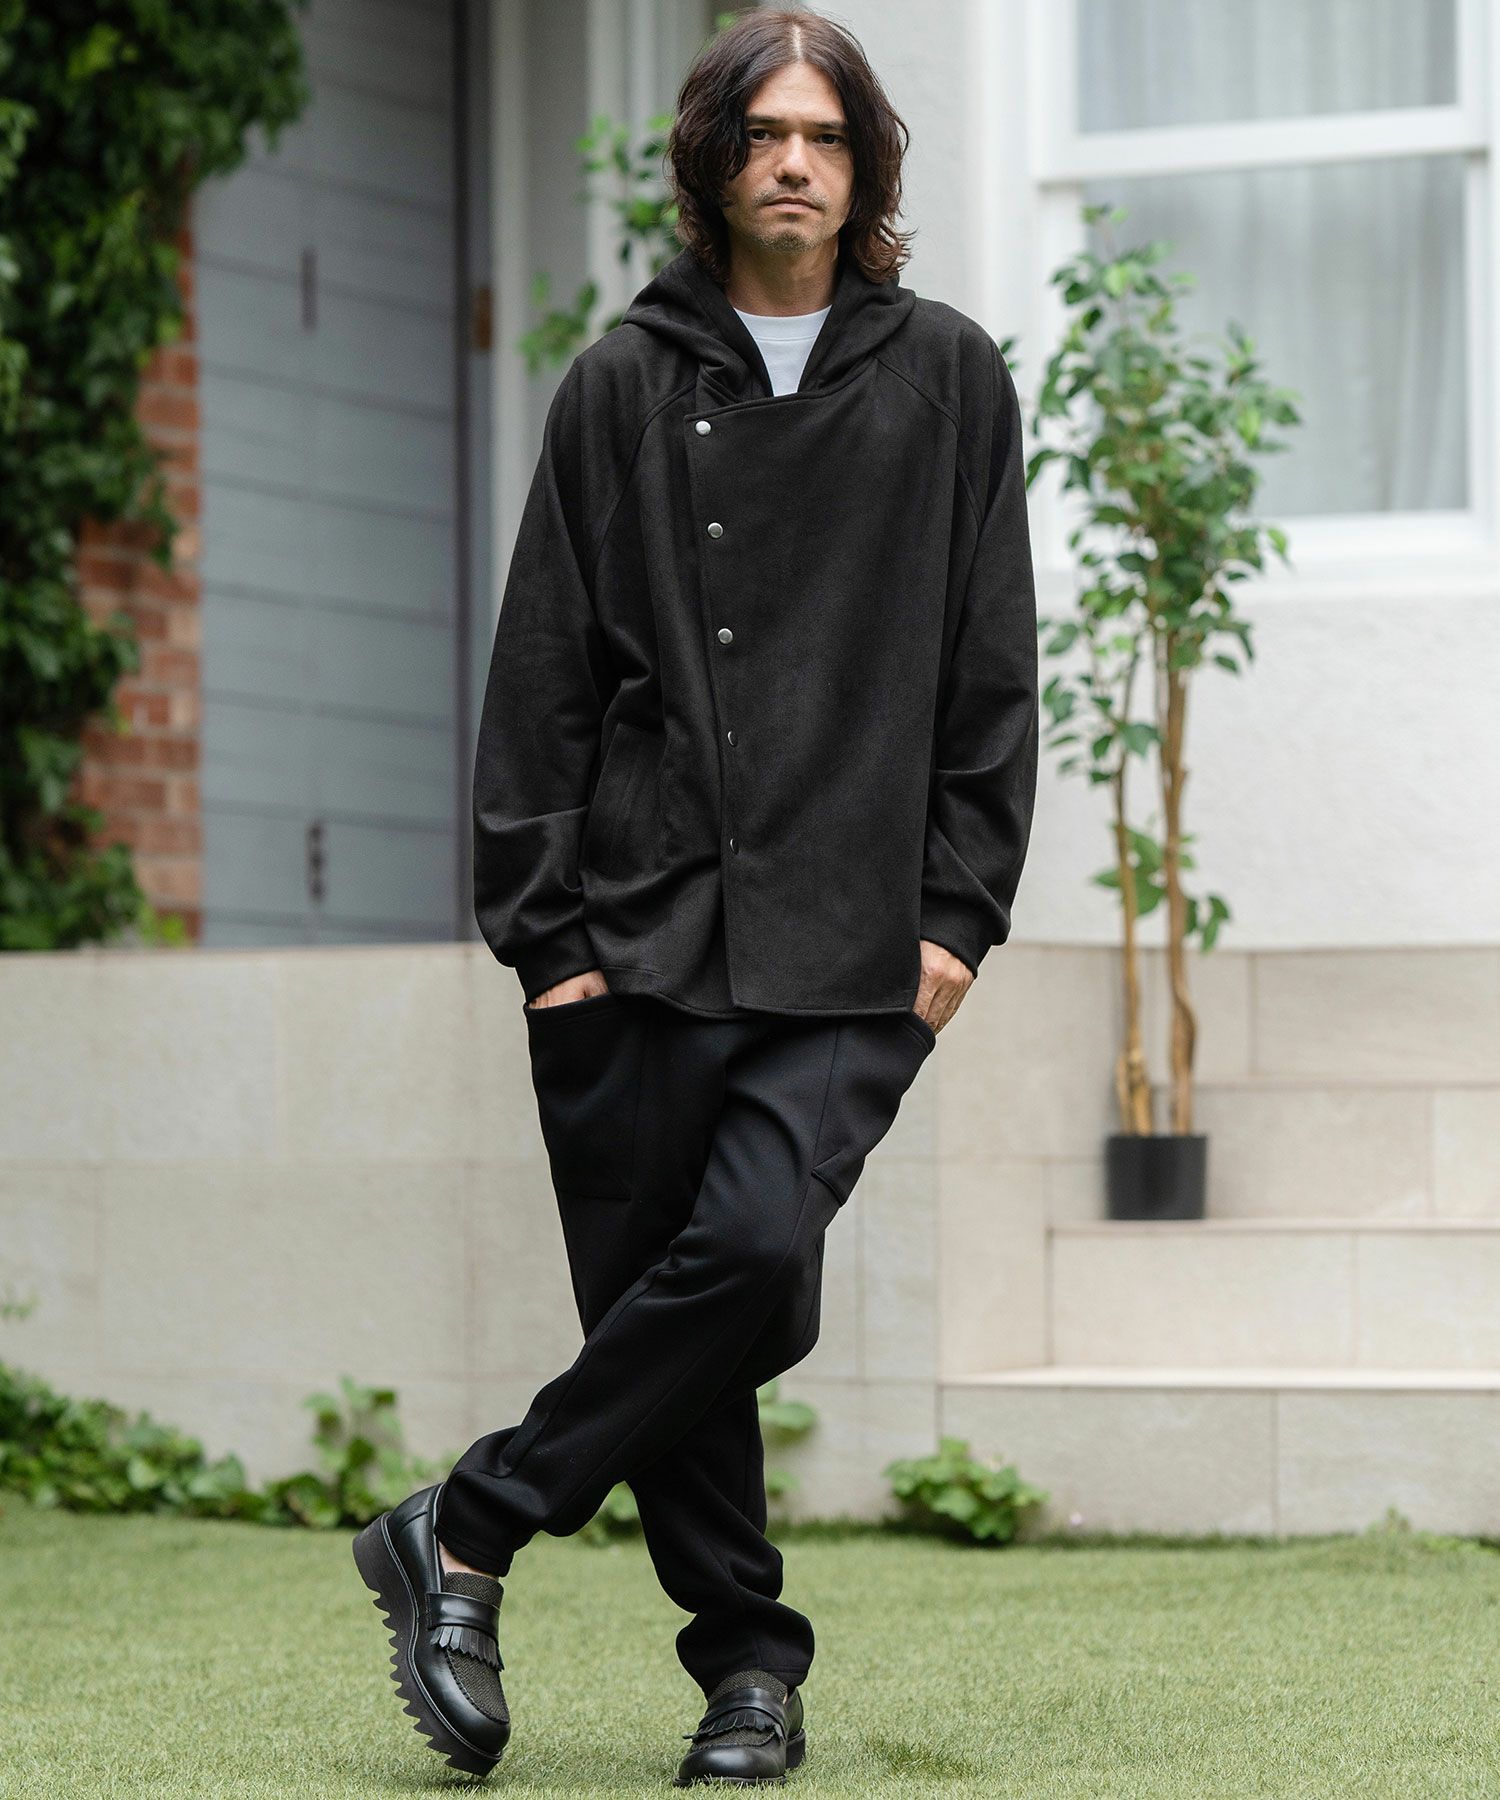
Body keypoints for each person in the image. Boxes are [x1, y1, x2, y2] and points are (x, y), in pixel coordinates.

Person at [352, 7, 1038, 1786]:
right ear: (714, 163)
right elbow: (544, 679)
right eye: (763, 135)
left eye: (826, 135)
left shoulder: (950, 377)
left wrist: (959, 915)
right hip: (640, 929)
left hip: (858, 938)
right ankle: (747, 1674)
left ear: (866, 166)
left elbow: (990, 668)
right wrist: (548, 942)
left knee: (744, 1260)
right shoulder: (620, 385)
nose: (794, 163)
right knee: (680, 1313)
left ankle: (473, 1521)